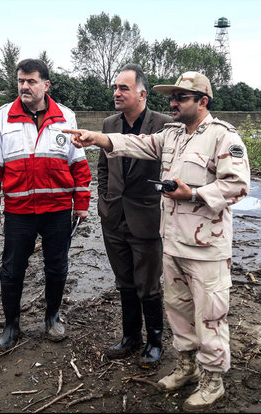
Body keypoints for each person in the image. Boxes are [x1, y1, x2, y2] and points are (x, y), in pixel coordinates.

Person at [64, 71, 250, 411]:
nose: (173, 103)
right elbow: (135, 144)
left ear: (202, 102)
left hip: (207, 247)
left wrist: (193, 193)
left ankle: (213, 380)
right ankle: (187, 367)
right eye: (172, 97)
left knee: (209, 314)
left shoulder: (223, 137)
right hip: (173, 241)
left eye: (181, 98)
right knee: (178, 311)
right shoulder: (172, 136)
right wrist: (96, 138)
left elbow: (237, 185)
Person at [0, 59, 91, 352]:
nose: (24, 86)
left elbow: (78, 164)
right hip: (19, 211)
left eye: (30, 81)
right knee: (12, 269)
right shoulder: (2, 117)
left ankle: (52, 317)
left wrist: (81, 203)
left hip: (56, 210)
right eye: (20, 81)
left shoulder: (66, 117)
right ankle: (11, 325)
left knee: (57, 267)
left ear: (46, 85)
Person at [99, 64, 172, 368]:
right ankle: (131, 338)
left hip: (147, 217)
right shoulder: (108, 124)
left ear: (142, 93)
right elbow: (103, 168)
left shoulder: (165, 125)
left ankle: (155, 342)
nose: (116, 93)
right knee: (124, 281)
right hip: (114, 216)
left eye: (123, 88)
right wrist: (104, 200)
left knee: (148, 284)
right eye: (115, 88)